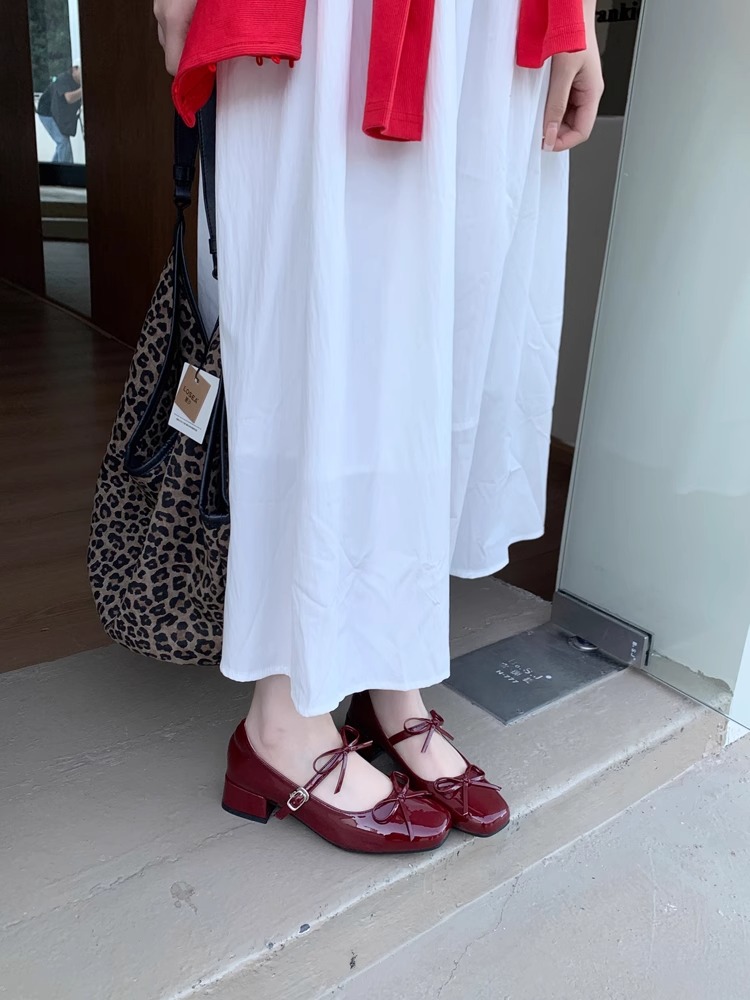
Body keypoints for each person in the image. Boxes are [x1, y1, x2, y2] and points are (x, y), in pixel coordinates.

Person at [153, 0, 603, 854]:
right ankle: (282, 717)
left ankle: (390, 668)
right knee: (327, 316)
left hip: (485, 24)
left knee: (445, 341)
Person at [36, 65, 82, 165]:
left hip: (59, 114)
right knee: (63, 142)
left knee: (62, 144)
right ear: (74, 69)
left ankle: (53, 170)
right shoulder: (63, 79)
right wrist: (83, 90)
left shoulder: (78, 83)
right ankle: (66, 171)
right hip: (47, 113)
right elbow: (69, 98)